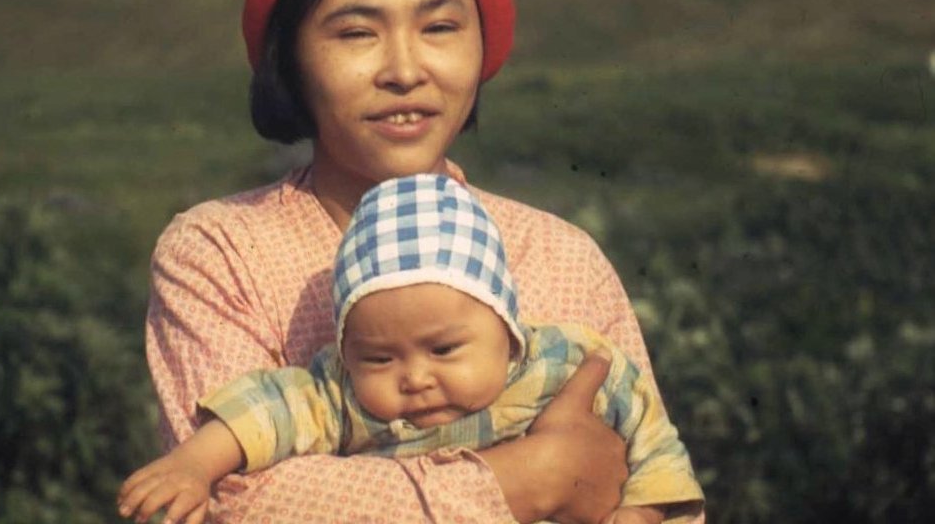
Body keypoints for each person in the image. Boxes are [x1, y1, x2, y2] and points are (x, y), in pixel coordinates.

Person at [143, 0, 706, 524]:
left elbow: (655, 482)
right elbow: (228, 505)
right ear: (289, 61)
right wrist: (535, 478)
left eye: (439, 27)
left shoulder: (560, 256)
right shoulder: (220, 251)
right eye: (357, 34)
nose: (406, 71)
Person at [121, 174, 704, 524]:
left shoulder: (561, 363)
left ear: (506, 330)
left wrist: (641, 511)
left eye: (445, 349)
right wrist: (195, 465)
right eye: (379, 358)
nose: (415, 377)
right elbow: (268, 411)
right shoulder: (344, 399)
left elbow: (653, 442)